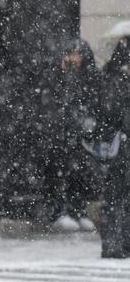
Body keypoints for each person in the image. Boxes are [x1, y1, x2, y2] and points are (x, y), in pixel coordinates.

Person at [43, 39, 104, 232]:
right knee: (60, 172)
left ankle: (77, 211)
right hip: (61, 133)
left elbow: (94, 99)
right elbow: (53, 100)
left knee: (80, 174)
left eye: (78, 54)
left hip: (81, 134)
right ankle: (59, 212)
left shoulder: (90, 77)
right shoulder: (58, 76)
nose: (74, 58)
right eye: (71, 53)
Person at [98, 36, 130, 258]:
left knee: (117, 198)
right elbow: (113, 114)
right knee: (115, 197)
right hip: (119, 148)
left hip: (119, 147)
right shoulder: (114, 80)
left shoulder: (113, 79)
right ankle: (114, 245)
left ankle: (120, 243)